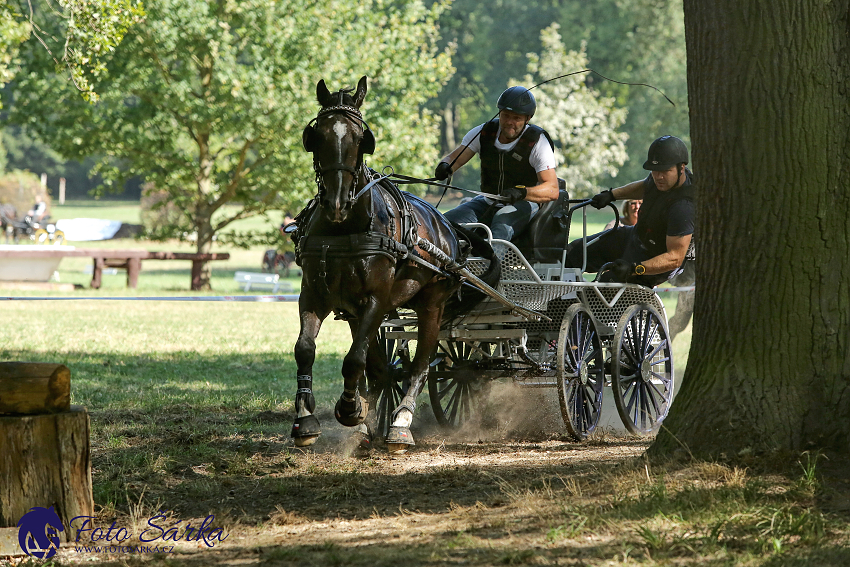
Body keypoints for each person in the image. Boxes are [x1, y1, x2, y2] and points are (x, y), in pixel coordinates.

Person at [565, 135, 695, 287]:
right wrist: (612, 195)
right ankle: (555, 302)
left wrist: (635, 268)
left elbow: (675, 258)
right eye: (654, 170)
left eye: (665, 171)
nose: (658, 176)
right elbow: (645, 186)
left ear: (682, 168)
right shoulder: (660, 179)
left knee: (602, 287)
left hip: (652, 261)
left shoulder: (684, 207)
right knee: (573, 252)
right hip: (633, 237)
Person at [434, 86, 559, 241]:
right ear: (499, 113)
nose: (509, 122)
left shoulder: (538, 142)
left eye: (516, 118)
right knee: (442, 223)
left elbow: (552, 190)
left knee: (501, 223)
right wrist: (444, 166)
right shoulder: (484, 132)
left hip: (525, 204)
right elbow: (454, 158)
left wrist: (522, 192)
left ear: (528, 118)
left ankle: (494, 264)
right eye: (505, 116)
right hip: (487, 201)